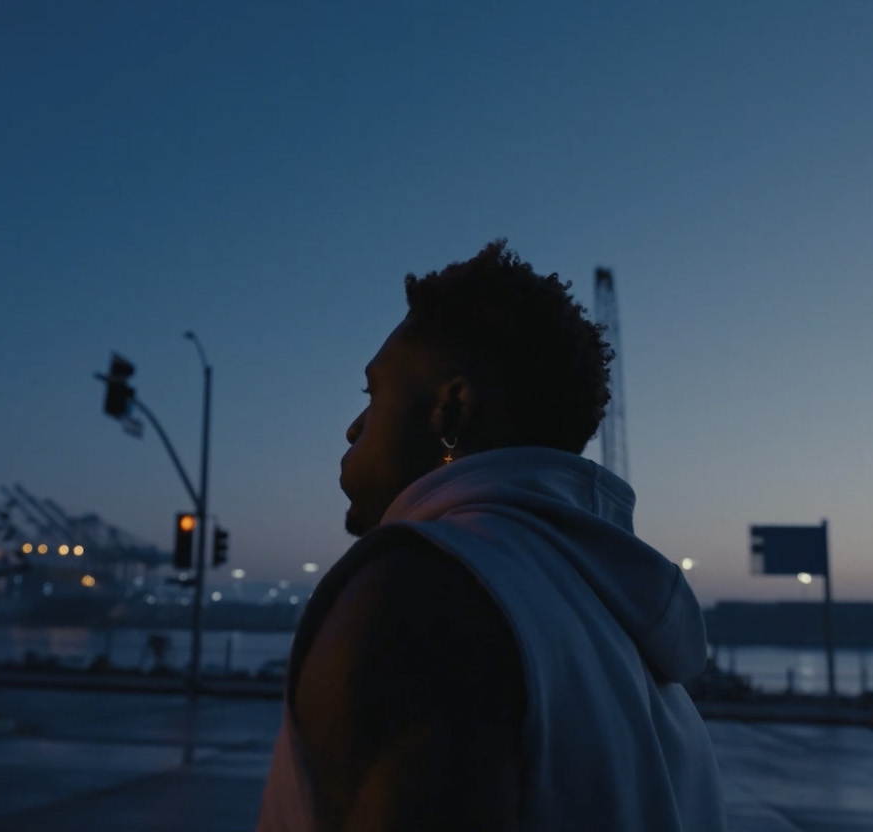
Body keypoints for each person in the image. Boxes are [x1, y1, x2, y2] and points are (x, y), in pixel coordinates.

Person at [257, 241, 724, 831]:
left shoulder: (421, 595)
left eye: (373, 395)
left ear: (451, 409)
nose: (354, 428)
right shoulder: (627, 629)